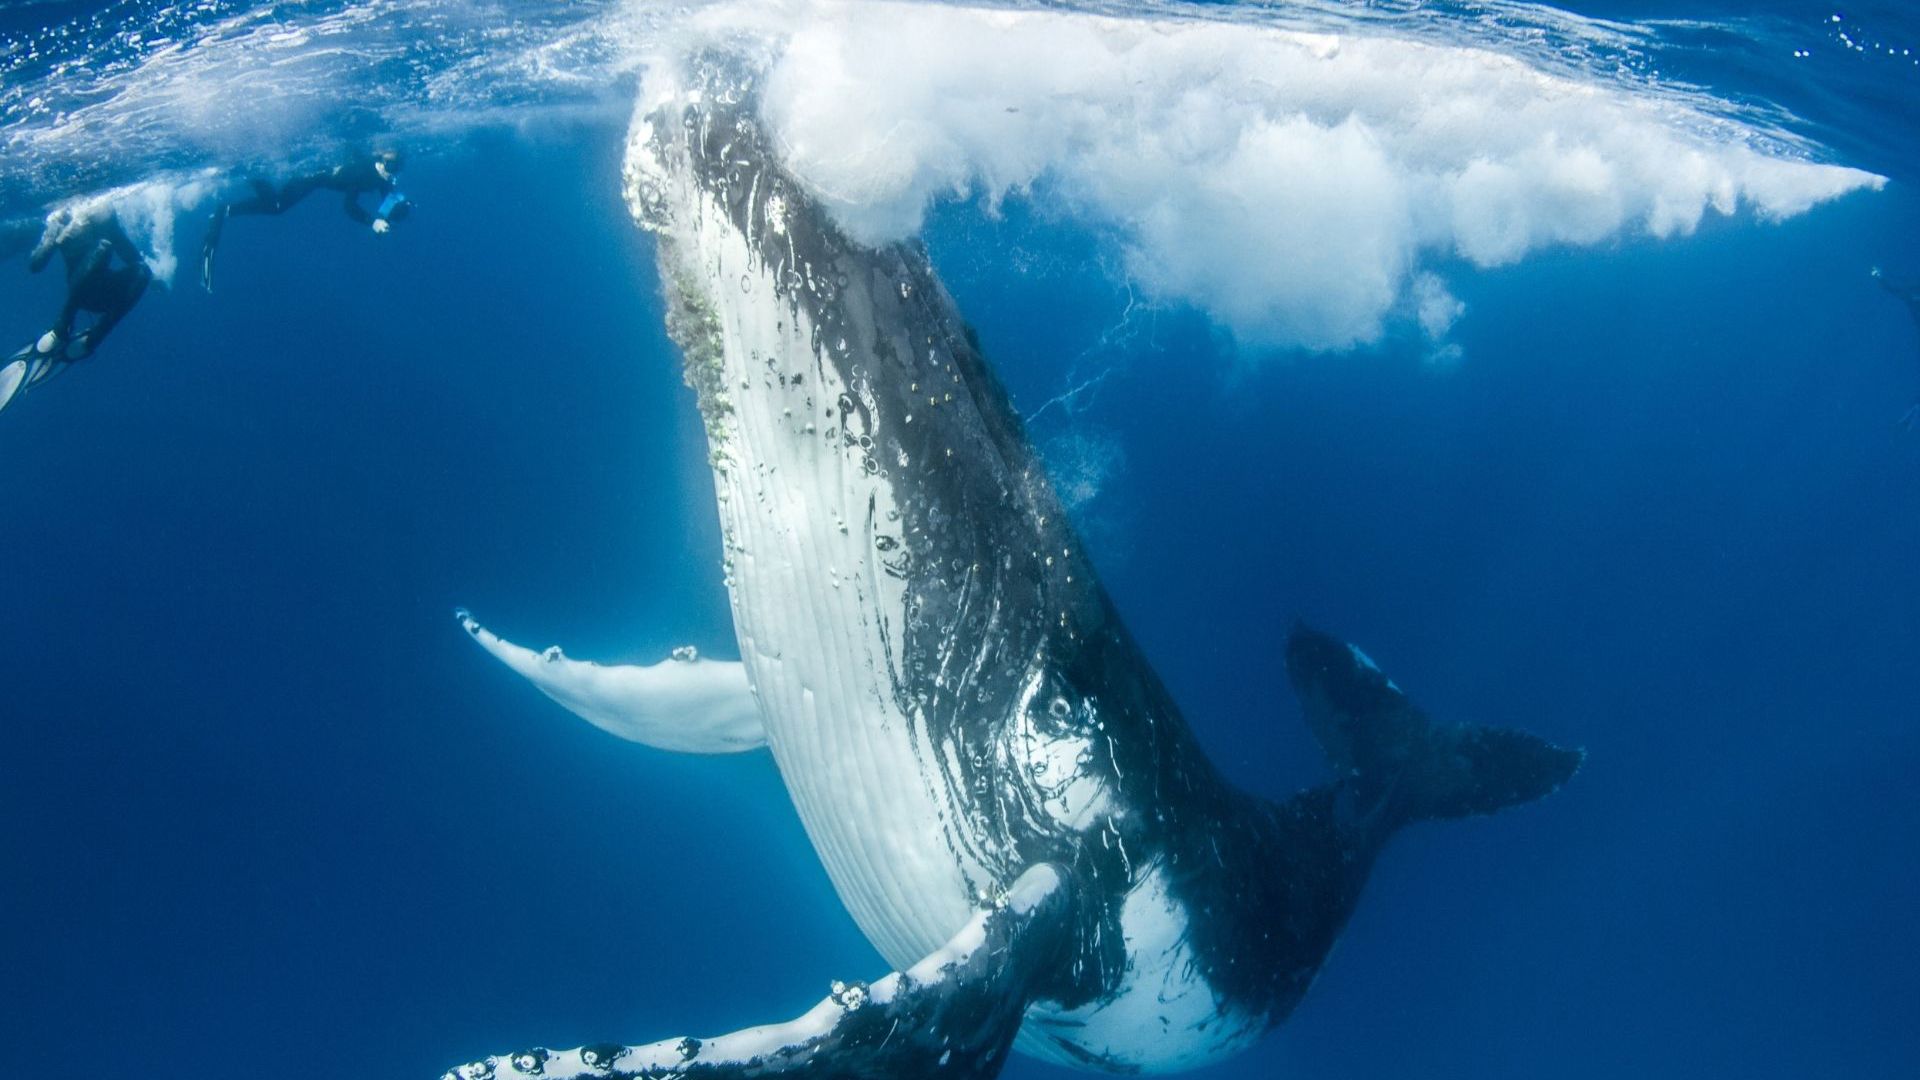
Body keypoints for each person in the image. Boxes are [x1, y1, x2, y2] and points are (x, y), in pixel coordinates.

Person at [200, 148, 412, 290]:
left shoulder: (382, 173)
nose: (392, 174)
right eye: (391, 168)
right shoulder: (362, 174)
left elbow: (388, 195)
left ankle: (244, 185)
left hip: (323, 172)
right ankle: (246, 181)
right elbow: (349, 206)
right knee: (276, 206)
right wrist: (371, 222)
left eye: (398, 168)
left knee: (276, 206)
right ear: (382, 163)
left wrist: (397, 210)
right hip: (313, 177)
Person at [26, 203, 152, 361]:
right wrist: (54, 237)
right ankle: (62, 325)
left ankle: (95, 337)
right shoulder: (62, 218)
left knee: (143, 271)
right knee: (102, 248)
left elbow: (131, 257)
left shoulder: (106, 216)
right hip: (78, 293)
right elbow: (36, 265)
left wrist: (152, 280)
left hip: (106, 296)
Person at [1872, 266, 1920, 430]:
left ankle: (1916, 406)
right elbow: (1892, 289)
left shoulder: (1908, 294)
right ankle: (1916, 406)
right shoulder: (1909, 294)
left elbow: (1891, 290)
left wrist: (1878, 277)